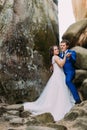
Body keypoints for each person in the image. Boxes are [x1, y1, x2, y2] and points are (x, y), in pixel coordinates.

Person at [23, 45, 75, 122]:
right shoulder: (55, 57)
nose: (57, 50)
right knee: (60, 91)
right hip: (58, 77)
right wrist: (65, 57)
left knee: (58, 92)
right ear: (52, 52)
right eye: (55, 49)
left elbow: (53, 68)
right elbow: (61, 64)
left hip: (58, 75)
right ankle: (58, 107)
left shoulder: (54, 58)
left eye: (57, 49)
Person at [59, 39, 81, 104]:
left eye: (63, 45)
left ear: (67, 46)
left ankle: (77, 99)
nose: (62, 47)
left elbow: (74, 61)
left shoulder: (72, 52)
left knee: (68, 81)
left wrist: (70, 57)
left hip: (70, 72)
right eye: (61, 45)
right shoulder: (60, 54)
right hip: (62, 72)